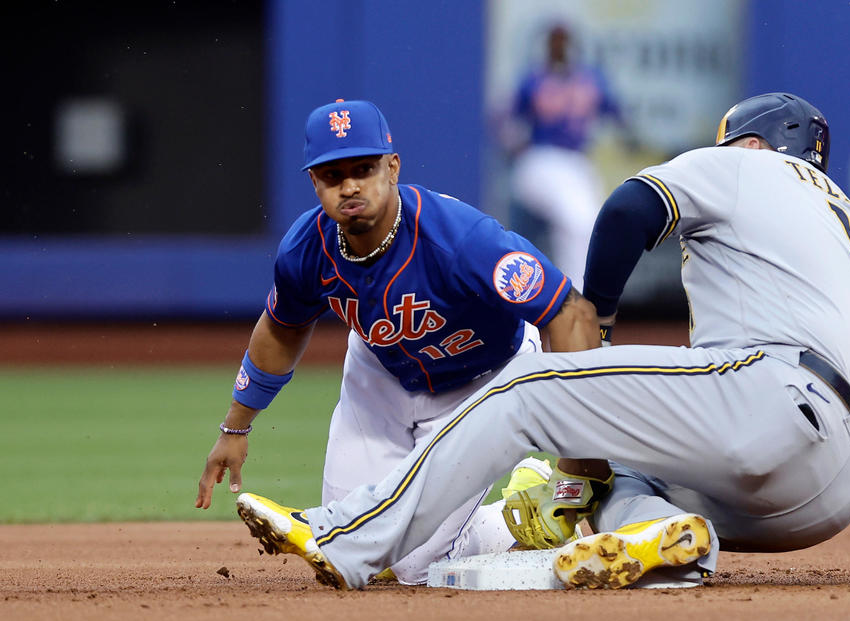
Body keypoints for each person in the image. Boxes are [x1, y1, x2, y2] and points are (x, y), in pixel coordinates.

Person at [232, 92, 850, 590]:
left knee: (528, 391)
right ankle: (674, 543)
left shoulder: (747, 165)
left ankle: (347, 536)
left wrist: (594, 334)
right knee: (619, 474)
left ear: (756, 140)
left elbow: (629, 209)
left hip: (770, 400)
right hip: (835, 497)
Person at [195, 98, 599, 585]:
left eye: (363, 168)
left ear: (392, 167)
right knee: (355, 550)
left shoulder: (461, 239)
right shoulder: (307, 248)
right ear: (314, 182)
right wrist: (235, 429)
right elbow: (282, 328)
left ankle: (522, 510)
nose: (349, 185)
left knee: (407, 566)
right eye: (331, 174)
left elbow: (570, 311)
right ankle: (492, 514)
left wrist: (578, 462)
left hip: (483, 379)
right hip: (379, 374)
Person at [502, 21, 633, 287]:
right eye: (555, 41)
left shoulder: (590, 78)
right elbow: (507, 121)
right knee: (577, 222)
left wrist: (632, 140)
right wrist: (515, 145)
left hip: (577, 162)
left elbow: (617, 114)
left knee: (590, 224)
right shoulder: (533, 79)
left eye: (564, 41)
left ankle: (578, 293)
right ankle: (574, 294)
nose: (559, 46)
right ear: (547, 46)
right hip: (542, 159)